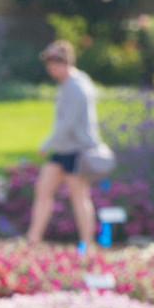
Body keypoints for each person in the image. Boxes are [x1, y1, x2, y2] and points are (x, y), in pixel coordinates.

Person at [27, 38, 102, 247]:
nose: (50, 68)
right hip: (62, 150)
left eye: (54, 63)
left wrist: (46, 143)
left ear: (65, 62)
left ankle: (87, 245)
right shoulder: (66, 84)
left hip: (76, 151)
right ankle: (33, 239)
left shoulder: (78, 87)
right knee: (43, 189)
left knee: (79, 196)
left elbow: (68, 123)